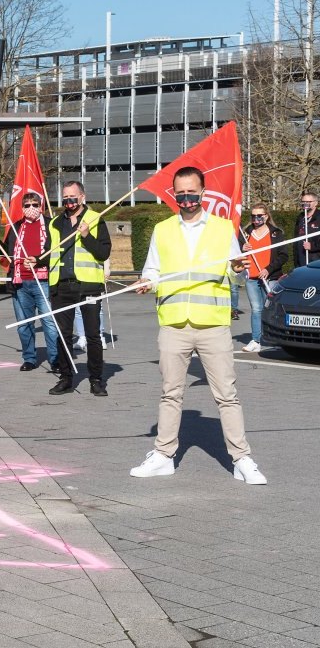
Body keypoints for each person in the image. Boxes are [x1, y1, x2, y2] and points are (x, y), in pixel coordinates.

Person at [131, 166, 267, 484]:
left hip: (213, 325)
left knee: (227, 395)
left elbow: (235, 274)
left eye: (193, 192)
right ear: (174, 194)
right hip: (174, 325)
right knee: (170, 393)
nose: (187, 198)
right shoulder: (163, 230)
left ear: (203, 192)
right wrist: (145, 282)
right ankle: (163, 455)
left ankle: (242, 459)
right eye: (181, 193)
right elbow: (152, 270)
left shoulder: (223, 229)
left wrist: (236, 267)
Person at [48, 181, 111, 397]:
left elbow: (103, 253)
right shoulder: (55, 223)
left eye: (73, 197)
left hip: (88, 286)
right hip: (61, 287)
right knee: (63, 336)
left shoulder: (95, 220)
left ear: (82, 197)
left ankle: (96, 379)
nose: (69, 202)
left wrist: (87, 236)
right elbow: (50, 253)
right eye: (65, 198)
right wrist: (35, 261)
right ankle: (66, 378)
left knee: (93, 336)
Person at [0, 194, 59, 372]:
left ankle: (55, 359)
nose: (31, 207)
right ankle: (29, 358)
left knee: (50, 323)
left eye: (35, 204)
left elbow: (58, 252)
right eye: (27, 205)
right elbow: (8, 253)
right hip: (21, 283)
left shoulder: (52, 225)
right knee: (24, 324)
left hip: (44, 281)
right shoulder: (16, 227)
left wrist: (39, 261)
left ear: (41, 205)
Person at [239, 204, 287, 353]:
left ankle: (276, 337)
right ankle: (256, 340)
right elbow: (235, 254)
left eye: (259, 216)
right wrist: (242, 248)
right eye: (253, 216)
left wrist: (268, 269)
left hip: (270, 277)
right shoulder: (245, 233)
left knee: (272, 309)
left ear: (266, 216)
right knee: (256, 309)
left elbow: (283, 255)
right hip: (251, 277)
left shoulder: (276, 233)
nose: (256, 219)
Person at [294, 191, 320, 268]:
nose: (305, 203)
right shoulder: (300, 217)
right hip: (301, 262)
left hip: (316, 263)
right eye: (303, 201)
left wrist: (312, 246)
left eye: (308, 202)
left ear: (316, 203)